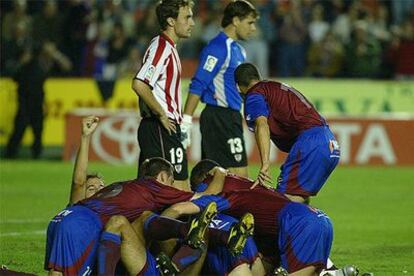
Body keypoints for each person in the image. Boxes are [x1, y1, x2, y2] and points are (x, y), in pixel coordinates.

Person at [44, 157, 233, 275]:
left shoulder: (120, 186)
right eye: (171, 181)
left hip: (63, 217)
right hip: (84, 226)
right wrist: (220, 172)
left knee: (131, 220)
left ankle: (188, 234)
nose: (172, 186)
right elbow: (209, 194)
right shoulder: (155, 188)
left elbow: (78, 185)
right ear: (161, 178)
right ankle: (191, 233)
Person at [166, 161, 357, 276]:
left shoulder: (224, 191)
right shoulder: (249, 185)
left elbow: (183, 207)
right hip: (317, 217)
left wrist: (159, 226)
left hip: (296, 223)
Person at [234, 63, 340, 203]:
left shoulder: (254, 94)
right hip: (329, 143)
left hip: (311, 143)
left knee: (282, 203)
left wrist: (265, 163)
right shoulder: (274, 87)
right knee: (298, 197)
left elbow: (262, 124)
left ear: (238, 86)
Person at [181, 0, 258, 177]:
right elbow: (198, 83)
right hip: (219, 118)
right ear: (236, 21)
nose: (253, 28)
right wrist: (185, 122)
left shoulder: (239, 50)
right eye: (250, 22)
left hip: (230, 117)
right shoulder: (218, 48)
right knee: (238, 179)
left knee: (216, 180)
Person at [132, 0, 195, 191]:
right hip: (160, 128)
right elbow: (140, 84)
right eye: (187, 17)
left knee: (153, 193)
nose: (192, 23)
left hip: (164, 128)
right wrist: (161, 114)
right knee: (178, 190)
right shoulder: (162, 47)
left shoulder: (169, 48)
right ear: (171, 21)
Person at [4, 41, 72, 159]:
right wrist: (22, 62)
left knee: (38, 132)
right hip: (24, 103)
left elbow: (67, 68)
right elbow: (13, 74)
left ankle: (36, 154)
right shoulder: (28, 64)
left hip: (37, 103)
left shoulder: (46, 65)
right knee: (19, 130)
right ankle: (10, 154)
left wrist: (56, 55)